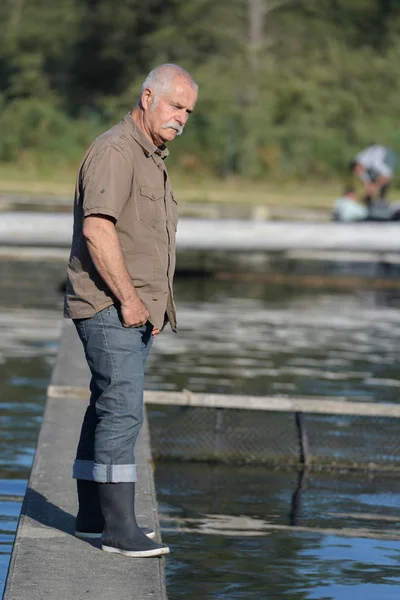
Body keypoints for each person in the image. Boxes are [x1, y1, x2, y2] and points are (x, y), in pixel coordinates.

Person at [64, 64, 198, 558]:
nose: (182, 117)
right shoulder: (117, 150)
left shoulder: (152, 157)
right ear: (147, 97)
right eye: (175, 105)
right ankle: (119, 532)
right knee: (121, 410)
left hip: (135, 310)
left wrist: (154, 307)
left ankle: (91, 519)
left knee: (105, 405)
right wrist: (131, 301)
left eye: (188, 111)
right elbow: (99, 231)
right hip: (109, 304)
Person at [350, 144, 396, 215]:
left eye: (358, 171)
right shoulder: (359, 166)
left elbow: (387, 174)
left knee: (382, 179)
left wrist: (376, 186)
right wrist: (368, 192)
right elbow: (367, 182)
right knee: (372, 184)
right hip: (372, 158)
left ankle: (382, 199)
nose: (359, 173)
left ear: (359, 165)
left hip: (386, 154)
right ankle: (370, 204)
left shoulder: (375, 162)